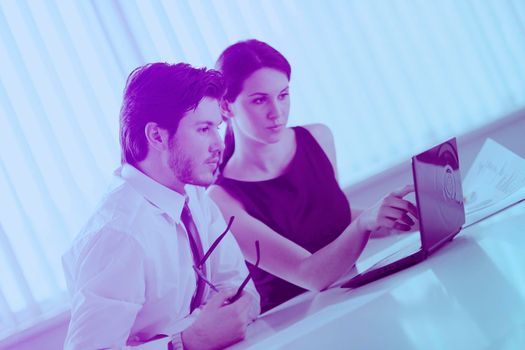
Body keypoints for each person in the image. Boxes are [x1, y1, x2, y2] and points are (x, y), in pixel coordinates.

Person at [208, 39, 418, 312]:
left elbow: (330, 218)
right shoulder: (221, 200)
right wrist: (365, 222)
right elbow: (309, 274)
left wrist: (393, 217)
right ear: (225, 107)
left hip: (356, 296)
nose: (277, 112)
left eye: (283, 95)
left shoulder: (318, 137)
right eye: (260, 100)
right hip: (300, 325)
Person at [62, 62, 260, 349]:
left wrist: (173, 336)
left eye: (216, 128)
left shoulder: (197, 200)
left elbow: (246, 300)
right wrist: (186, 341)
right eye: (203, 129)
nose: (219, 144)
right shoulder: (119, 234)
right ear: (157, 136)